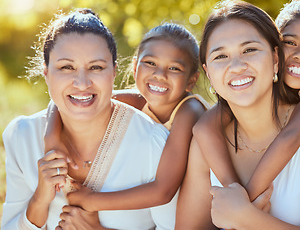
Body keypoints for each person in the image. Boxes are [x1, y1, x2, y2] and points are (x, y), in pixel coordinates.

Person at [175, 0, 300, 229]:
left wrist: (247, 217)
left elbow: (292, 134)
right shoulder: (207, 142)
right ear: (208, 73)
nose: (236, 65)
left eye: (250, 50)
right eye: (220, 56)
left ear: (276, 60)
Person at [2, 9, 177, 230]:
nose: (82, 83)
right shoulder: (22, 136)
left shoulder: (154, 144)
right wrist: (39, 200)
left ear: (114, 72)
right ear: (46, 72)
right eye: (67, 67)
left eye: (96, 67)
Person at [44, 22, 208, 212]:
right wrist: (52, 139)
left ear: (191, 80)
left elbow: (164, 190)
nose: (160, 75)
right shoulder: (137, 100)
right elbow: (73, 98)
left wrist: (93, 201)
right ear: (135, 67)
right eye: (151, 63)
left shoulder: (190, 110)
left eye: (174, 68)